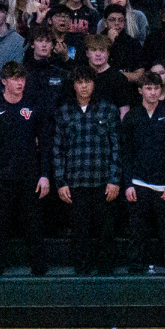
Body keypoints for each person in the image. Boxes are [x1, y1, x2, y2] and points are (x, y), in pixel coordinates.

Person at [0, 63, 51, 276]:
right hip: (1, 177)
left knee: (33, 225)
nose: (20, 83)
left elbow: (45, 144)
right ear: (4, 81)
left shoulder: (33, 108)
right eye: (14, 79)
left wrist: (45, 175)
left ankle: (39, 269)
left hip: (29, 176)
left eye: (22, 78)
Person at [54, 65, 121, 274]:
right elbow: (57, 150)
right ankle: (81, 271)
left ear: (94, 84)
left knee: (105, 231)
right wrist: (60, 182)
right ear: (74, 85)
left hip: (103, 181)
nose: (84, 86)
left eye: (88, 82)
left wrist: (115, 179)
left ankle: (106, 271)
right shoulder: (63, 111)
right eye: (79, 82)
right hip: (75, 182)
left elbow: (117, 147)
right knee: (79, 231)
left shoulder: (109, 109)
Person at [120, 72, 165, 274]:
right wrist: (128, 183)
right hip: (138, 183)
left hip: (163, 185)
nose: (153, 92)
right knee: (137, 231)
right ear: (140, 91)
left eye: (156, 88)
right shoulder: (131, 117)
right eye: (148, 88)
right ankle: (135, 268)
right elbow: (126, 153)